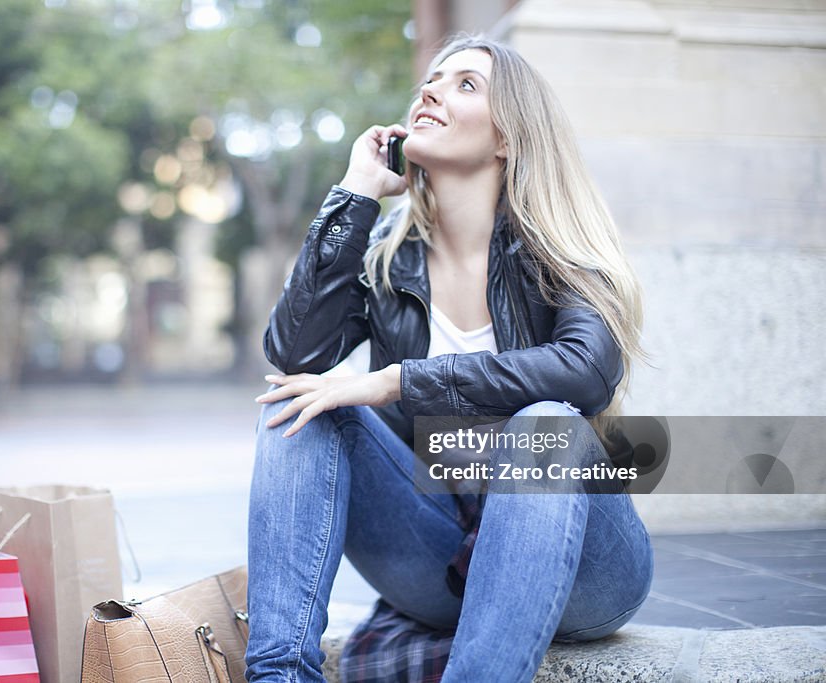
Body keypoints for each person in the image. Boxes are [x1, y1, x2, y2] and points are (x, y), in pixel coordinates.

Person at [246, 34, 653, 683]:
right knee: (301, 403)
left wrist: (393, 381)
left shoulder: (558, 245)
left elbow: (585, 370)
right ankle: (279, 674)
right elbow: (295, 351)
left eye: (465, 84)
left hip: (584, 566)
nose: (431, 89)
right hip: (438, 553)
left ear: (507, 139)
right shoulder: (389, 254)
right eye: (431, 80)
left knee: (546, 421)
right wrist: (354, 194)